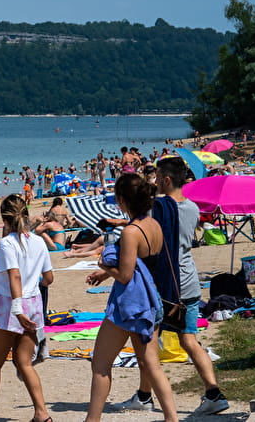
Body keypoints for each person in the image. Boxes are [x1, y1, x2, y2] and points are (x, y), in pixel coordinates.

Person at [126, 158, 228, 414]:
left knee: (148, 343)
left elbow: (148, 241)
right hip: (190, 282)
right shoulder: (192, 208)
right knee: (189, 341)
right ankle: (213, 392)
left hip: (166, 285)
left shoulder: (157, 209)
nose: (155, 181)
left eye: (157, 177)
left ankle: (145, 397)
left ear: (167, 179)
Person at [84, 174, 178, 422]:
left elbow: (125, 275)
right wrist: (105, 274)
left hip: (129, 305)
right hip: (151, 301)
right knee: (152, 366)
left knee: (101, 365)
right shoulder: (154, 225)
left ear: (121, 200)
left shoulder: (130, 231)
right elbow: (141, 266)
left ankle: (91, 420)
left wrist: (104, 264)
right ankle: (172, 418)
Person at [0, 194, 52, 422]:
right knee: (24, 362)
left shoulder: (7, 243)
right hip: (35, 304)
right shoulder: (38, 241)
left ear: (5, 219)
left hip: (12, 305)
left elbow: (15, 275)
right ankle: (42, 413)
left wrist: (18, 309)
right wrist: (32, 286)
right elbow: (48, 278)